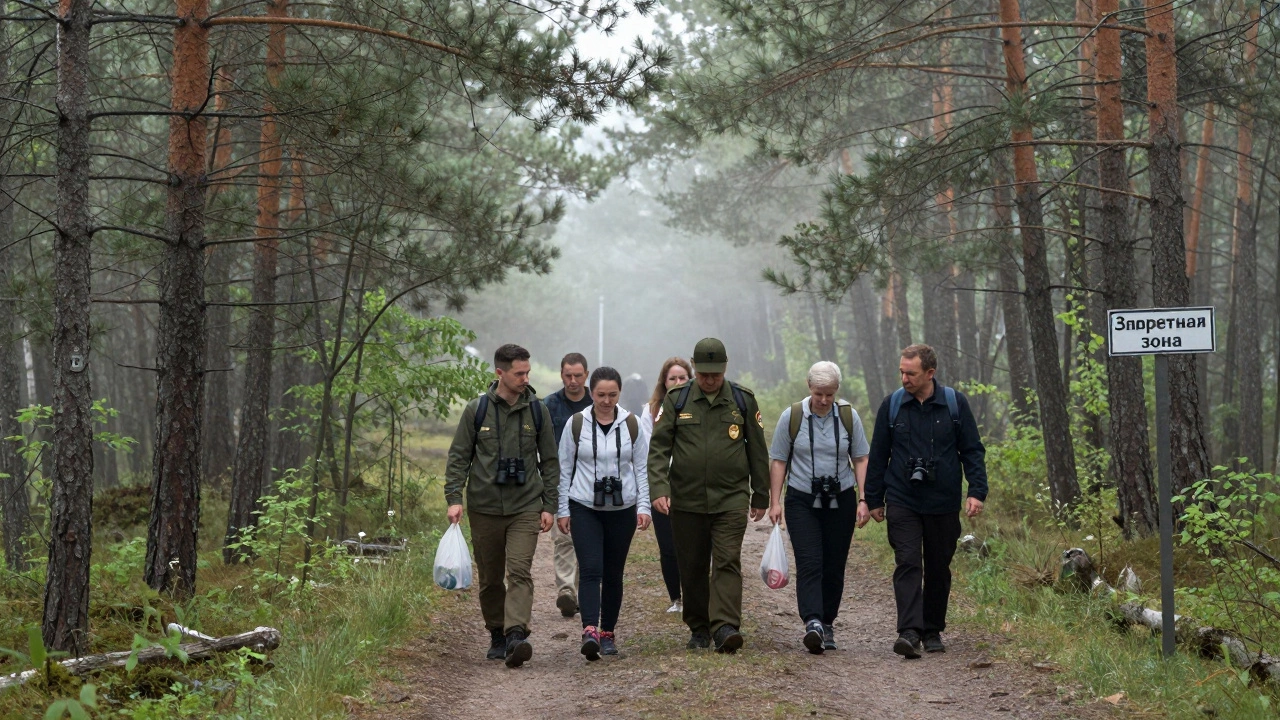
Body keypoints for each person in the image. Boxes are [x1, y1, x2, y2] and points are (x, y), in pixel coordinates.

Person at [864, 344, 987, 659]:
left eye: (911, 373)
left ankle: (932, 629)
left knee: (937, 566)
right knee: (907, 562)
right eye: (902, 372)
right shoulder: (892, 406)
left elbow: (972, 450)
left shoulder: (953, 404)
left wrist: (976, 491)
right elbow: (877, 455)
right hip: (903, 498)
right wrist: (873, 498)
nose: (904, 378)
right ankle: (909, 631)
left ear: (930, 373)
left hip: (943, 501)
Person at [648, 338, 769, 653]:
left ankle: (725, 626)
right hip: (686, 500)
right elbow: (659, 449)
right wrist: (659, 489)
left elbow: (757, 449)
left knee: (727, 560)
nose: (710, 380)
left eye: (715, 374)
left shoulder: (742, 400)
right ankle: (699, 628)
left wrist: (761, 494)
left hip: (730, 498)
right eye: (703, 374)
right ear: (695, 368)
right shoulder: (677, 400)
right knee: (693, 564)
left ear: (725, 367)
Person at [444, 344, 559, 668]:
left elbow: (550, 462)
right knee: (491, 577)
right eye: (518, 373)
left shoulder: (537, 410)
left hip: (525, 505)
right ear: (500, 373)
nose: (525, 378)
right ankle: (497, 633)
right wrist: (454, 498)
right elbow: (458, 459)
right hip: (484, 506)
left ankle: (516, 635)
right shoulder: (476, 410)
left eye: (527, 372)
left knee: (520, 569)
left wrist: (548, 504)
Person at [767, 361, 870, 654]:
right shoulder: (793, 416)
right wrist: (775, 502)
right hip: (802, 499)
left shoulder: (848, 416)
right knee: (810, 561)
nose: (824, 400)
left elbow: (861, 457)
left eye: (829, 394)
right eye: (818, 393)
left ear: (837, 390)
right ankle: (811, 621)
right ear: (809, 387)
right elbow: (778, 460)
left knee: (834, 565)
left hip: (842, 498)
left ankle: (827, 622)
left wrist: (864, 498)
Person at [556, 367, 652, 660]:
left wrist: (644, 506)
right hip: (584, 505)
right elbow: (564, 470)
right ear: (591, 392)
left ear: (619, 393)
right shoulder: (576, 424)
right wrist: (562, 509)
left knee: (613, 573)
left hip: (622, 508)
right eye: (600, 395)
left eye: (612, 395)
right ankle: (589, 631)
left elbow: (642, 469)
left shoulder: (632, 425)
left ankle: (608, 632)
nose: (606, 401)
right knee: (591, 569)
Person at [640, 357, 692, 614]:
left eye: (683, 378)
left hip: (692, 484)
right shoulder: (650, 411)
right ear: (664, 381)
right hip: (662, 483)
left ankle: (695, 594)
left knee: (693, 544)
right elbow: (649, 451)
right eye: (673, 378)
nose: (678, 382)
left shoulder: (698, 407)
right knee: (668, 545)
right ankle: (677, 598)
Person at [543, 353, 592, 618]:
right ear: (561, 375)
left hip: (591, 482)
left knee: (588, 540)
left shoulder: (596, 403)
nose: (572, 381)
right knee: (563, 539)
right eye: (567, 375)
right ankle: (566, 592)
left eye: (577, 375)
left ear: (586, 375)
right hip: (561, 480)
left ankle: (585, 591)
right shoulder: (549, 405)